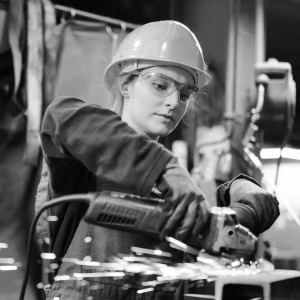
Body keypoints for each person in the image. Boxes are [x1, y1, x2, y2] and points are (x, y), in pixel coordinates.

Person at [38, 20, 280, 300]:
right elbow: (59, 116)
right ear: (126, 84)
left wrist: (244, 204)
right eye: (160, 85)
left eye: (186, 93)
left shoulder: (175, 194)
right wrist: (163, 167)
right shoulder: (85, 157)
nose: (174, 101)